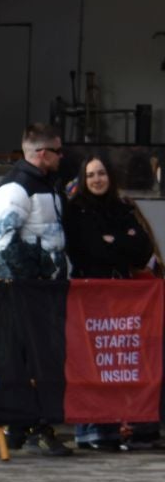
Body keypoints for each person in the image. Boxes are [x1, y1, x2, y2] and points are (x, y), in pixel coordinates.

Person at [63, 153, 162, 452]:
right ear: (83, 179)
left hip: (124, 299)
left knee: (123, 360)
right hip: (90, 298)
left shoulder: (123, 207)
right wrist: (121, 242)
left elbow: (142, 250)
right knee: (92, 362)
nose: (97, 179)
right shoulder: (76, 211)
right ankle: (93, 428)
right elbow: (90, 250)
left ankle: (131, 424)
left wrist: (113, 241)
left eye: (102, 173)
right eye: (91, 174)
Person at [0, 124, 71, 457]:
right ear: (41, 153)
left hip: (41, 288)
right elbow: (3, 241)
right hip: (27, 290)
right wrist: (32, 278)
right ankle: (36, 427)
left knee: (31, 359)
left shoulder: (46, 185)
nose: (62, 156)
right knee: (35, 360)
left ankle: (19, 427)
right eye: (57, 151)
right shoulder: (16, 188)